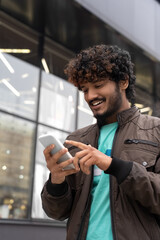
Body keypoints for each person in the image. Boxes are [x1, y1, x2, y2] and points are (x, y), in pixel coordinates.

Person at [41, 45, 160, 240]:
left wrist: (113, 165)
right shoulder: (77, 140)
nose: (90, 96)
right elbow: (57, 212)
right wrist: (56, 180)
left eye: (98, 85)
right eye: (85, 89)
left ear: (123, 82)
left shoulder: (156, 131)